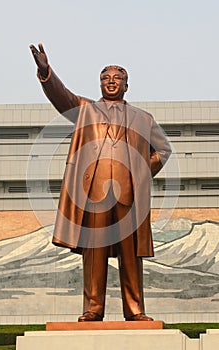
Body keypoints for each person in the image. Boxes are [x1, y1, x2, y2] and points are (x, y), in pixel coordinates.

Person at [30, 43, 172, 322]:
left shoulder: (144, 118)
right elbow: (62, 97)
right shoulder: (85, 110)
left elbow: (163, 150)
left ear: (126, 86)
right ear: (100, 83)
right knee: (94, 252)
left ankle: (135, 310)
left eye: (117, 78)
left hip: (129, 194)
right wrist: (46, 72)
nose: (111, 82)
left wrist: (141, 171)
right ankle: (93, 309)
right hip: (93, 192)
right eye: (106, 78)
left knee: (131, 253)